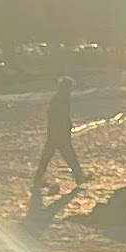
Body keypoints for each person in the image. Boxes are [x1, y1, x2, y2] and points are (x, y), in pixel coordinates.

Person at [32, 74, 85, 205]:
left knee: (48, 156)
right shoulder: (61, 99)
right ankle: (78, 177)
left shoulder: (59, 98)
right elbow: (60, 116)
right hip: (59, 133)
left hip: (55, 132)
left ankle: (38, 179)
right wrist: (65, 127)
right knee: (67, 155)